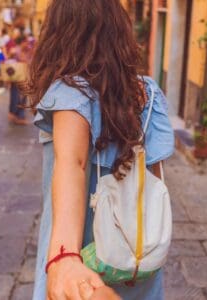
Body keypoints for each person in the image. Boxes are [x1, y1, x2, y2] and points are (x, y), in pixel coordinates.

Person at [24, 1, 174, 299]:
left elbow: (73, 164)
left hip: (88, 268)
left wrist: (64, 256)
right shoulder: (149, 93)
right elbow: (154, 182)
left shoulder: (70, 91)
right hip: (137, 263)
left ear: (59, 34)